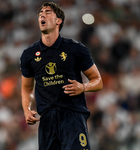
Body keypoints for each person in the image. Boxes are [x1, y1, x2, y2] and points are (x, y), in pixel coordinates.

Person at [20, 2, 103, 150]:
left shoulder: (76, 49)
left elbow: (98, 81)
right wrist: (27, 110)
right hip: (47, 120)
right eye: (40, 14)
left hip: (72, 116)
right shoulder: (29, 55)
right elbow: (26, 88)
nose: (42, 15)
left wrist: (83, 87)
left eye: (47, 12)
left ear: (58, 21)